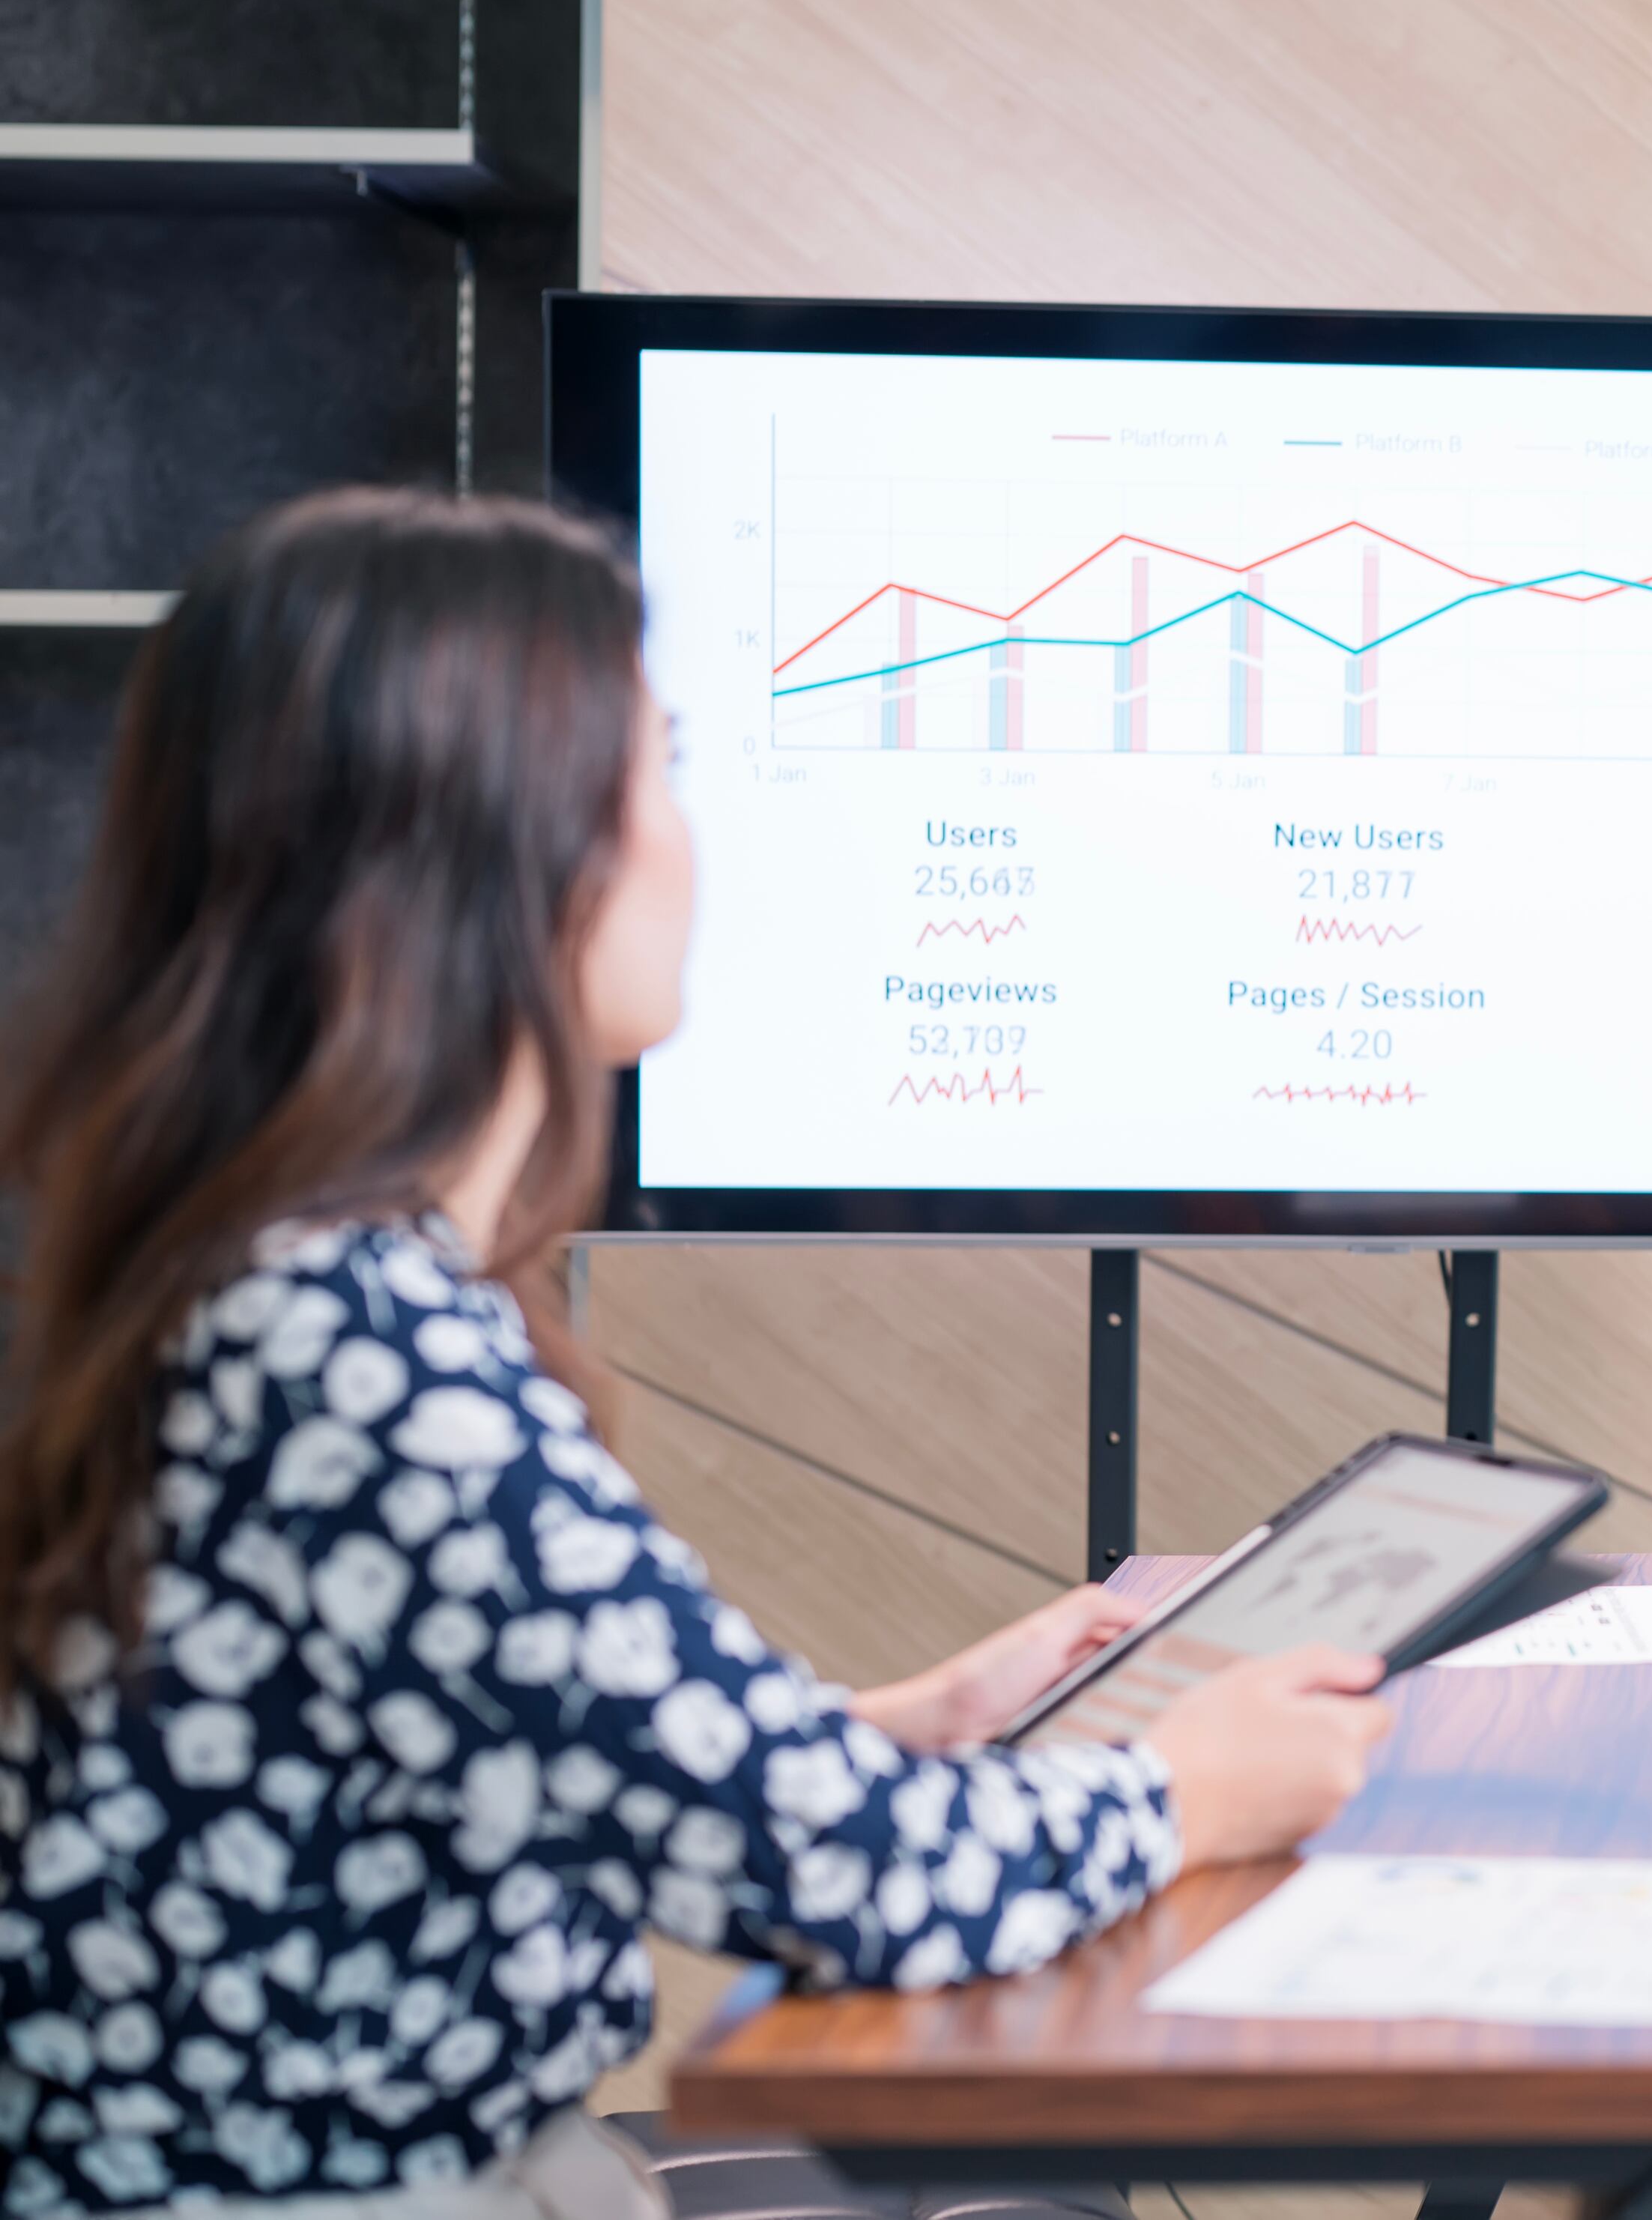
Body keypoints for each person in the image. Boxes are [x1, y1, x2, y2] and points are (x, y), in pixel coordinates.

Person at [0, 490, 1391, 2216]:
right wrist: (1185, 1789)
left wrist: (901, 1724)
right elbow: (841, 1884)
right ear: (492, 842)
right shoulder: (358, 1346)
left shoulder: (287, 1282)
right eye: (654, 764)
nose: (690, 836)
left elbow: (526, 1746)